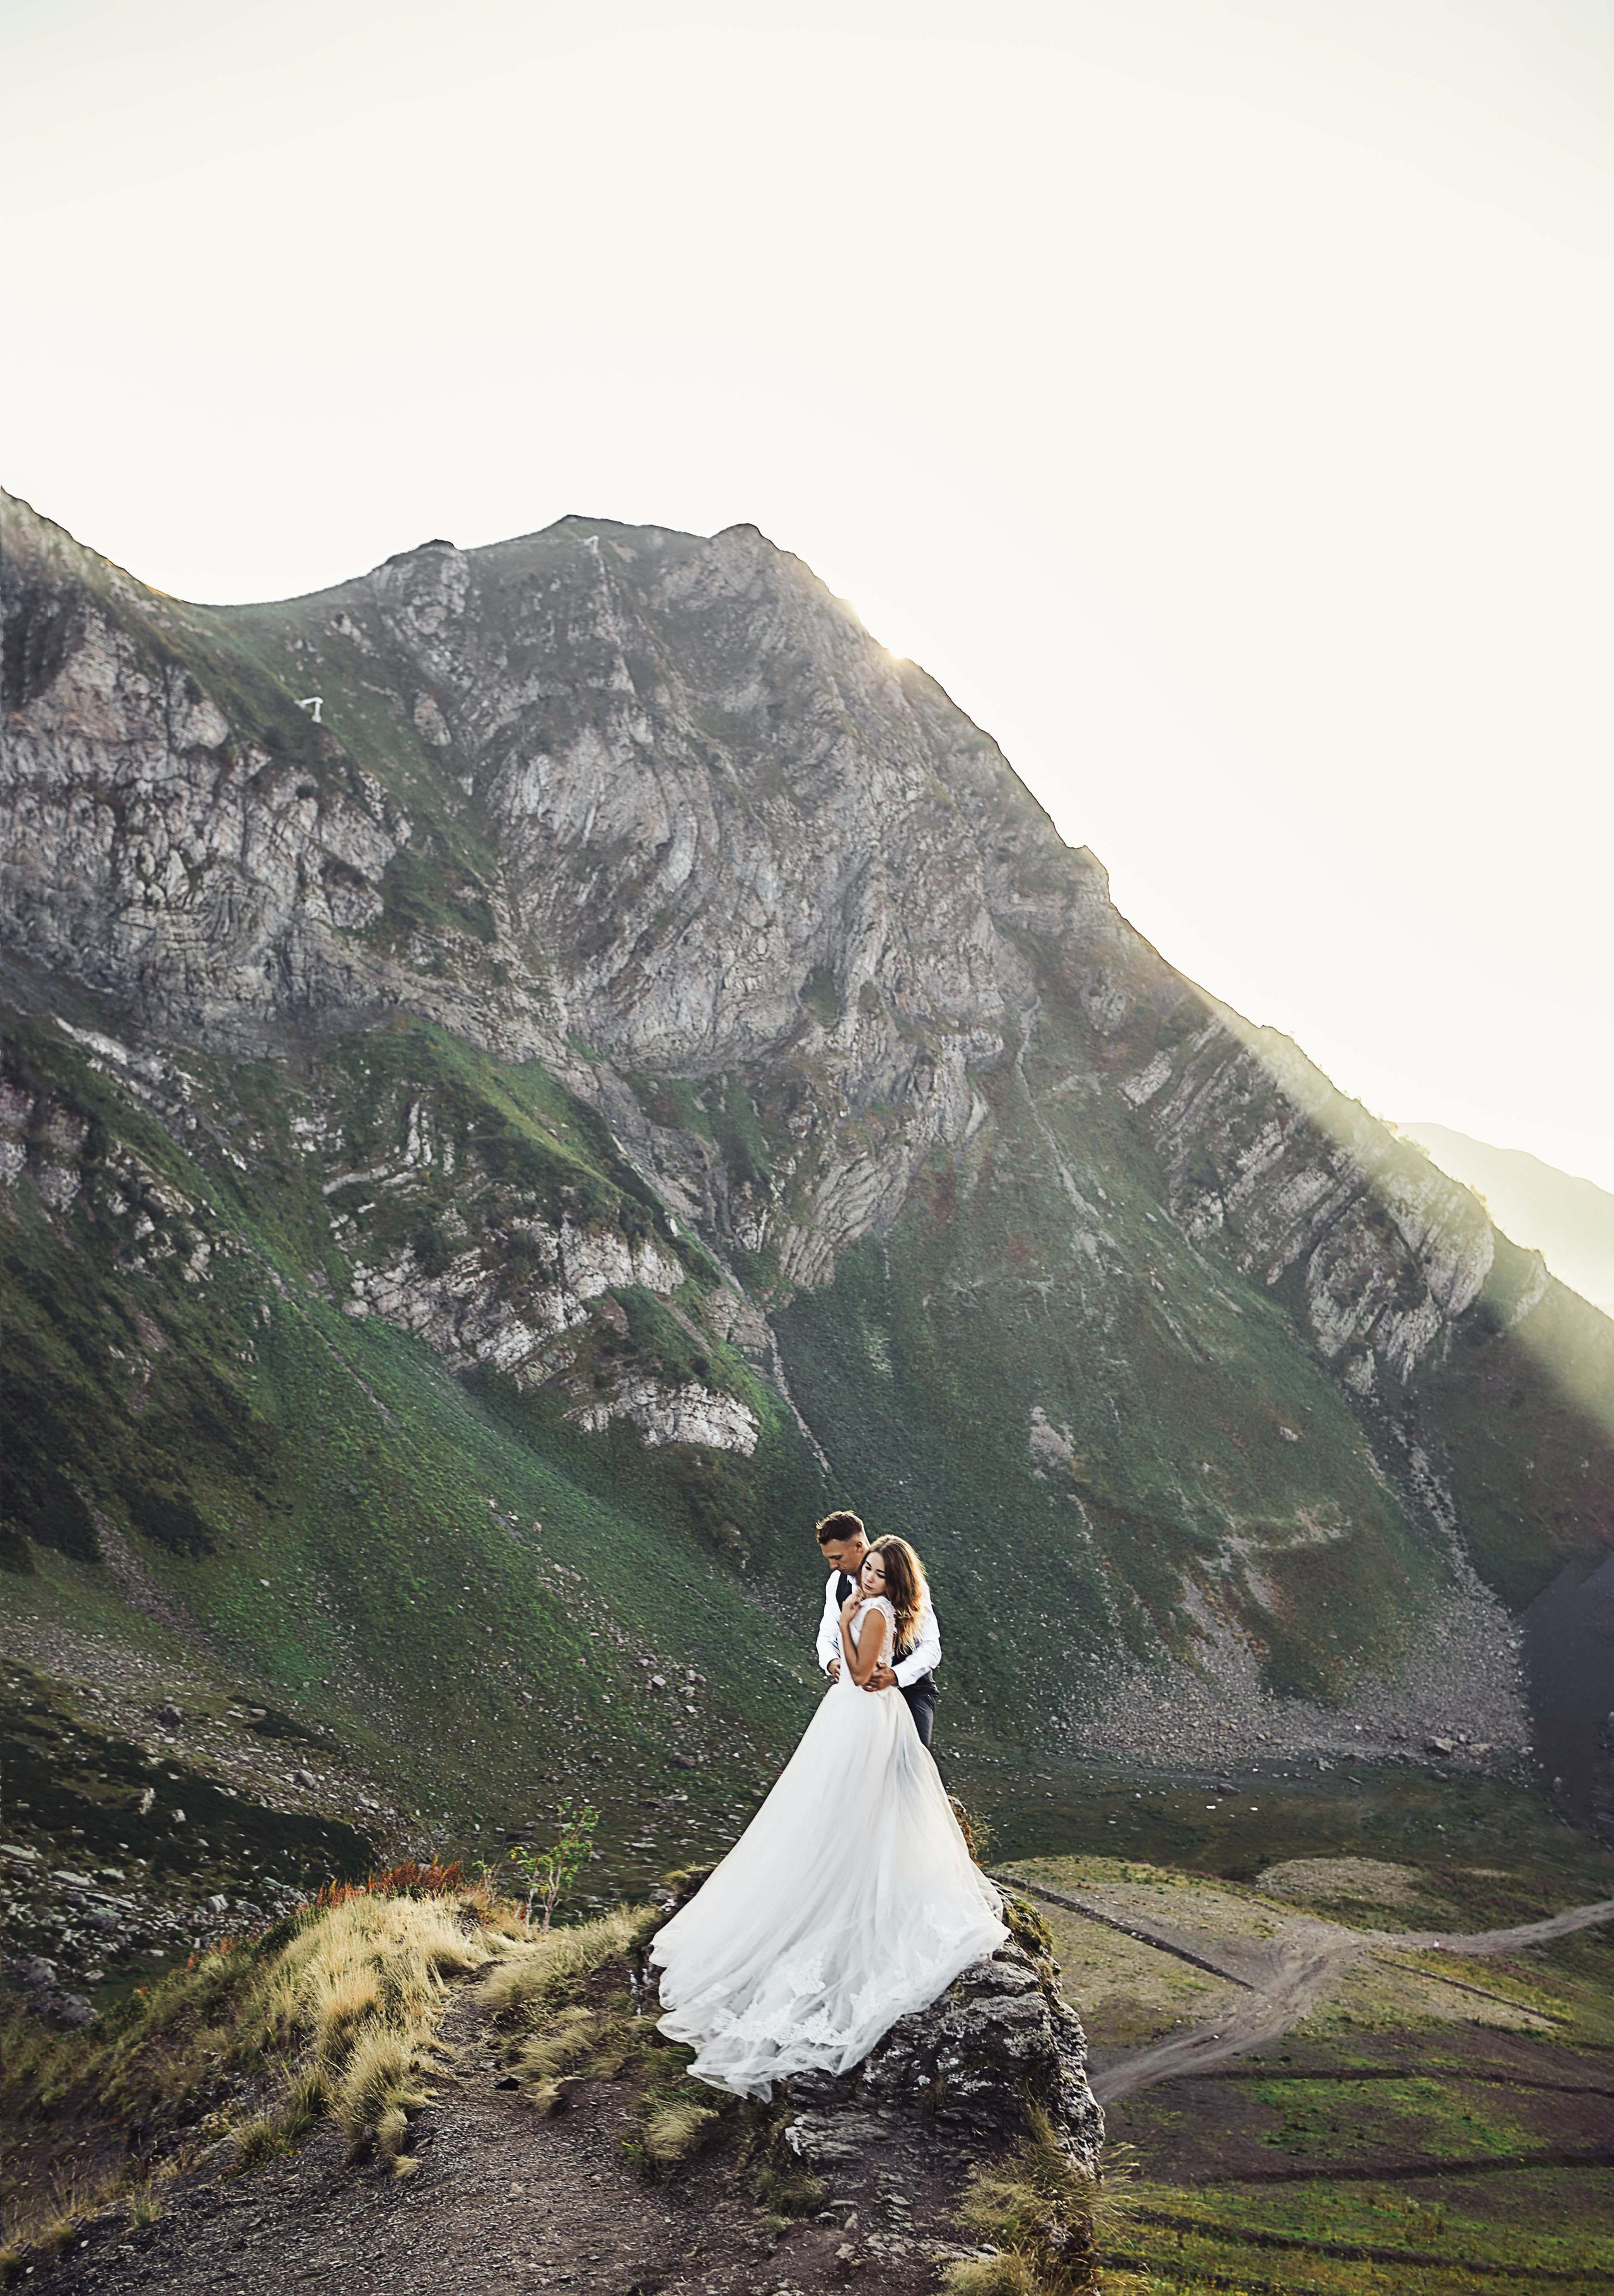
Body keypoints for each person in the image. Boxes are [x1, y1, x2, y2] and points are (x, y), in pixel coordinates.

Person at [650, 1533, 1005, 2098]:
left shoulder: (879, 1610)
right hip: (853, 1706)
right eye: (864, 1570)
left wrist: (856, 1631)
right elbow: (833, 1648)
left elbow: (878, 1669)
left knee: (872, 1791)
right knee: (834, 1794)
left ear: (887, 1573)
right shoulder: (855, 1594)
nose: (864, 1576)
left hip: (874, 1703)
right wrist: (839, 1639)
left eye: (876, 1572)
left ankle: (873, 1870)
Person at [814, 1509, 941, 1748]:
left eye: (838, 1557)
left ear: (859, 1546)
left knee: (912, 1761)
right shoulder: (836, 1584)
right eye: (829, 1558)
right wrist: (832, 1661)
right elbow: (826, 1634)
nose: (832, 1565)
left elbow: (932, 1648)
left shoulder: (910, 1582)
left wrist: (895, 1675)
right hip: (861, 1694)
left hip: (912, 1690)